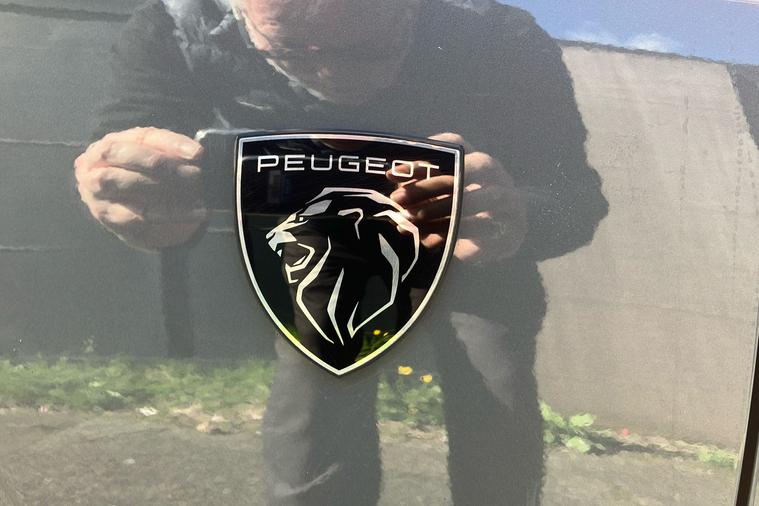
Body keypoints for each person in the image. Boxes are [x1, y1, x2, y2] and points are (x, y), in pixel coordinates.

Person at [74, 0, 608, 503]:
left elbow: (577, 198)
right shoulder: (174, 24)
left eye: (366, 49)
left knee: (496, 389)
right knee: (315, 401)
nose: (331, 74)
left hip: (471, 239)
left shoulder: (503, 39)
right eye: (290, 49)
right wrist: (127, 189)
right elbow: (129, 143)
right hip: (327, 240)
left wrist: (520, 216)